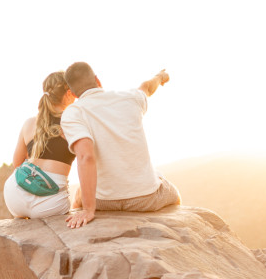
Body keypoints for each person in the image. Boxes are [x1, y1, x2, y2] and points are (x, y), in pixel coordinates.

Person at [61, 62, 181, 228]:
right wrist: (160, 77)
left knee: (80, 193)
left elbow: (85, 156)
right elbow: (147, 87)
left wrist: (88, 209)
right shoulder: (130, 97)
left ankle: (79, 223)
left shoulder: (73, 112)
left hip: (103, 201)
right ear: (97, 80)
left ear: (72, 93)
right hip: (146, 198)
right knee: (173, 194)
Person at [3, 71, 77, 218]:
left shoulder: (29, 123)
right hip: (49, 204)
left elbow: (17, 163)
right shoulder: (72, 122)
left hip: (14, 196)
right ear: (68, 93)